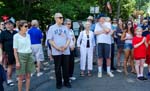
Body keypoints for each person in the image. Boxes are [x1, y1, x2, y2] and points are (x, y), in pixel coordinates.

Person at [47, 13, 71, 89]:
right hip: (56, 52)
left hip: (65, 51)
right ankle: (59, 83)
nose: (62, 19)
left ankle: (66, 82)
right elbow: (50, 40)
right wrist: (57, 47)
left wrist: (66, 46)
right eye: (60, 17)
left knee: (66, 68)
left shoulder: (65, 28)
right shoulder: (52, 28)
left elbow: (69, 38)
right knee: (57, 68)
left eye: (62, 17)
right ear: (56, 18)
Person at [13, 20, 35, 91]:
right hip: (21, 56)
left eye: (27, 26)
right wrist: (17, 61)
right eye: (25, 26)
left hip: (29, 55)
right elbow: (15, 50)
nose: (27, 28)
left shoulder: (28, 35)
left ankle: (27, 90)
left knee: (28, 76)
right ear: (20, 27)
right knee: (21, 77)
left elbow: (29, 46)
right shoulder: (16, 36)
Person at [94, 14, 114, 78]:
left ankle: (108, 71)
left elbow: (108, 30)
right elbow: (95, 33)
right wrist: (103, 31)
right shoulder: (97, 24)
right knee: (100, 57)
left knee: (108, 57)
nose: (101, 19)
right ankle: (100, 72)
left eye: (102, 18)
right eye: (100, 18)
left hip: (107, 43)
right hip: (99, 42)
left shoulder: (108, 24)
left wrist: (102, 25)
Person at [0, 20, 17, 86]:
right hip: (8, 52)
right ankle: (9, 79)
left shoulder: (16, 32)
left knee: (17, 65)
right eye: (7, 24)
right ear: (5, 25)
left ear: (13, 25)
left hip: (16, 51)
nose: (9, 25)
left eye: (10, 24)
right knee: (10, 65)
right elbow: (0, 43)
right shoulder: (3, 33)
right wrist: (2, 52)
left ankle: (18, 78)